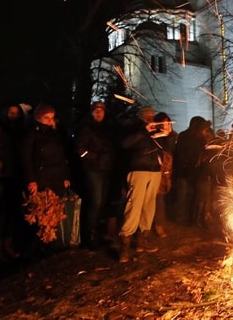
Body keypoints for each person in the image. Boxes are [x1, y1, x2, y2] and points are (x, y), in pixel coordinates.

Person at [20, 103, 72, 254]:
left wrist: (65, 176)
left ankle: (50, 243)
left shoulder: (55, 134)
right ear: (38, 117)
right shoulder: (31, 134)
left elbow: (62, 156)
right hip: (41, 177)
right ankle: (35, 247)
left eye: (52, 117)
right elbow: (26, 158)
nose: (50, 120)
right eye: (46, 117)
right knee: (39, 212)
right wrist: (31, 179)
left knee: (54, 211)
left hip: (56, 177)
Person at [118, 106, 164, 262]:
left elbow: (165, 147)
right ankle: (125, 242)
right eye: (147, 115)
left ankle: (142, 238)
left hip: (154, 171)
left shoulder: (154, 130)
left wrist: (166, 133)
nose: (150, 117)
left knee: (149, 205)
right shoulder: (134, 128)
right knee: (134, 204)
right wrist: (145, 131)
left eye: (152, 115)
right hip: (138, 170)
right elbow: (125, 144)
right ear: (141, 117)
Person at [0, 103, 28, 262]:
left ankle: (7, 244)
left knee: (12, 211)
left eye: (17, 113)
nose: (14, 115)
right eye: (11, 112)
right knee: (1, 210)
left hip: (14, 174)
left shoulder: (19, 130)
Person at [73, 101, 117, 250]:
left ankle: (97, 232)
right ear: (92, 112)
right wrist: (95, 156)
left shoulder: (108, 128)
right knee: (96, 202)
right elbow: (80, 149)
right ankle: (88, 235)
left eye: (101, 110)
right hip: (93, 170)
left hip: (106, 170)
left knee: (102, 202)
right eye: (96, 110)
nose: (99, 113)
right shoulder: (87, 128)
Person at [172, 115, 212, 226]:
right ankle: (180, 219)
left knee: (194, 196)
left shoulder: (202, 138)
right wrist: (190, 163)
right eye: (203, 128)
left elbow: (205, 152)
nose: (205, 130)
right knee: (183, 196)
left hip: (197, 172)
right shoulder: (184, 136)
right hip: (184, 172)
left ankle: (192, 219)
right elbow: (181, 154)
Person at [151, 112, 177, 238]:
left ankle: (158, 224)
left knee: (160, 198)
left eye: (168, 122)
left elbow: (170, 149)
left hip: (165, 170)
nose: (166, 125)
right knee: (155, 199)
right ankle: (155, 225)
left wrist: (170, 135)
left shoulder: (171, 136)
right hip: (154, 169)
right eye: (164, 123)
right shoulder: (154, 136)